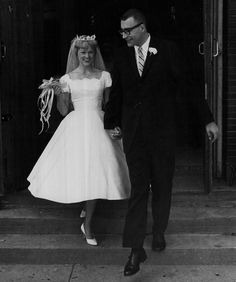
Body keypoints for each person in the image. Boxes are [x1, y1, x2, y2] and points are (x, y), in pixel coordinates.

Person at [104, 9, 219, 276]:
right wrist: (111, 123)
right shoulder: (122, 56)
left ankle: (158, 231)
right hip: (134, 134)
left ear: (142, 28)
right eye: (122, 31)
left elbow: (190, 86)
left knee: (163, 185)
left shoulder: (167, 50)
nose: (125, 36)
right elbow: (117, 92)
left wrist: (208, 120)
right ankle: (135, 250)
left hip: (163, 132)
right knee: (139, 189)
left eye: (128, 31)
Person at [27, 35, 130, 246]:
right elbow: (64, 111)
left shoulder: (104, 76)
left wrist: (115, 125)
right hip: (76, 126)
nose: (87, 56)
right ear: (76, 54)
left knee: (97, 171)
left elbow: (110, 105)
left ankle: (88, 221)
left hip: (99, 123)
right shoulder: (67, 79)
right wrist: (58, 94)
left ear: (95, 54)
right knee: (83, 170)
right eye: (82, 52)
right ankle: (88, 221)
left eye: (90, 52)